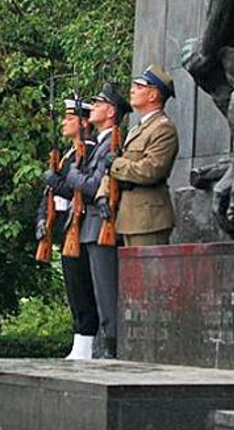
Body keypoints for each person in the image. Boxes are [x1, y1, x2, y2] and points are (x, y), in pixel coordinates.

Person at [46, 85, 131, 359]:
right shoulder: (95, 145)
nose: (94, 106)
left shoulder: (106, 143)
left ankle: (105, 347)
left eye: (99, 103)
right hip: (84, 226)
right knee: (88, 290)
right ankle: (94, 345)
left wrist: (66, 178)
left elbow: (91, 185)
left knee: (101, 293)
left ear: (111, 111)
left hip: (98, 222)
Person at [37, 99, 97, 359]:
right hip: (65, 227)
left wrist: (56, 182)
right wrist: (41, 219)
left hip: (80, 225)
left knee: (82, 286)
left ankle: (87, 342)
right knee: (73, 287)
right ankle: (80, 340)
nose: (63, 122)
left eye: (69, 118)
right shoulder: (68, 154)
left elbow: (79, 192)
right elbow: (50, 195)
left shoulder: (88, 151)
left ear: (84, 123)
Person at [100, 65, 179, 247]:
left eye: (139, 86)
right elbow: (119, 166)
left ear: (153, 95)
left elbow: (151, 170)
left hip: (148, 218)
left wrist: (116, 164)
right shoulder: (138, 128)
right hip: (129, 216)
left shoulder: (162, 128)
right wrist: (103, 194)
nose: (132, 90)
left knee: (150, 275)